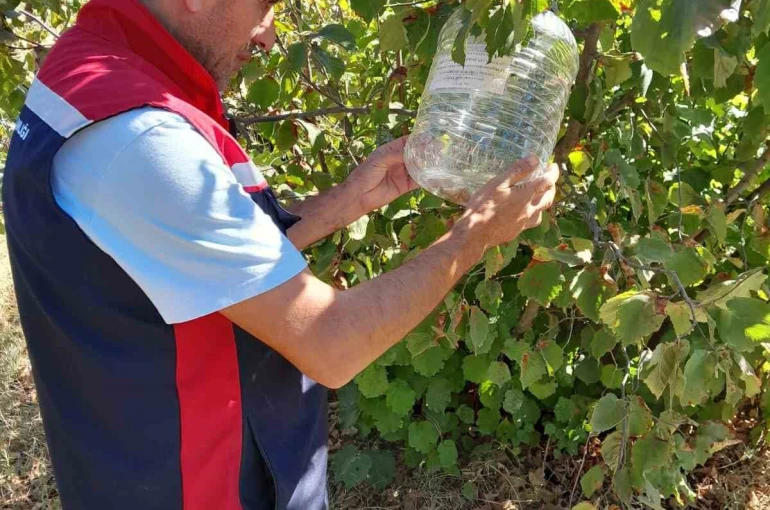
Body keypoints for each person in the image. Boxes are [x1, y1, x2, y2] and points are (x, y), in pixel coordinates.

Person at [2, 0, 559, 509]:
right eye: (265, 5)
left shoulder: (93, 74)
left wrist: (343, 202)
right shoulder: (137, 139)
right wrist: (475, 234)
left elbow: (193, 255)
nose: (269, 35)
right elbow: (331, 342)